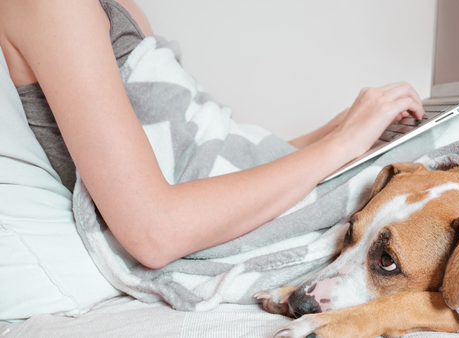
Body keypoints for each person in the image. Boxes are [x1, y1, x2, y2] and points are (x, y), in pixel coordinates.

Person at [0, 0, 424, 269]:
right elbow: (154, 230)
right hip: (203, 229)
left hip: (247, 187)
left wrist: (342, 130)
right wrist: (341, 145)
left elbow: (204, 153)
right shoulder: (52, 7)